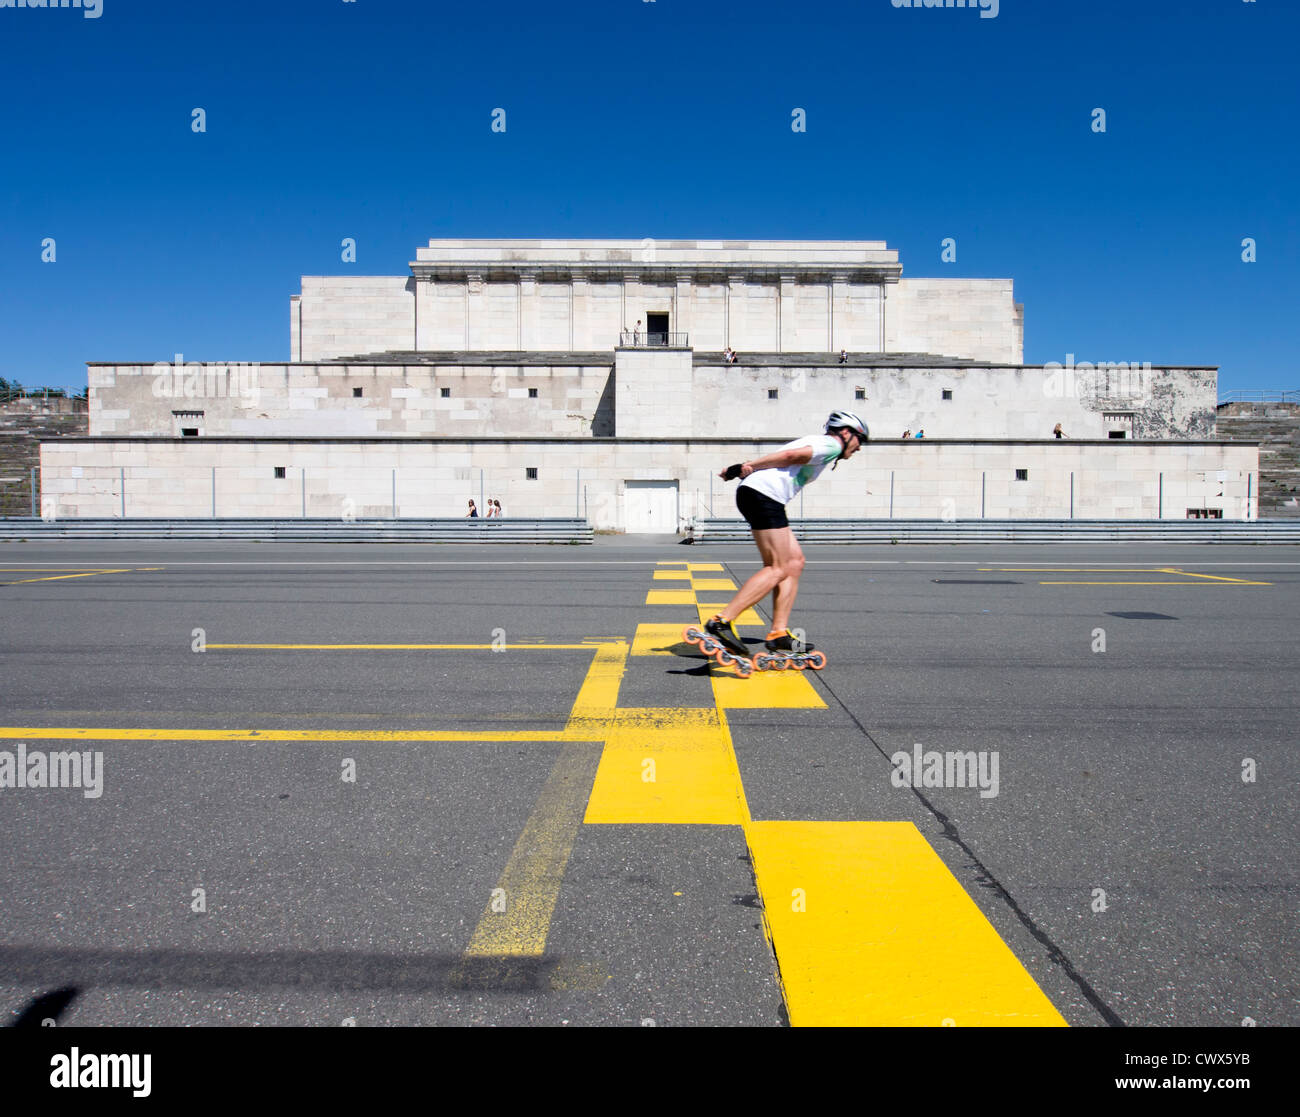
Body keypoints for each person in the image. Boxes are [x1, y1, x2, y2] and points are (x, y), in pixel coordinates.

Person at [703, 409, 869, 659]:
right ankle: (722, 621)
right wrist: (746, 466)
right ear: (846, 433)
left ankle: (778, 634)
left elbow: (787, 458)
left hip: (763, 496)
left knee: (794, 563)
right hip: (763, 496)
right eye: (860, 440)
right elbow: (791, 455)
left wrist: (741, 468)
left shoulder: (821, 443)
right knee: (778, 567)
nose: (858, 448)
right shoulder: (831, 445)